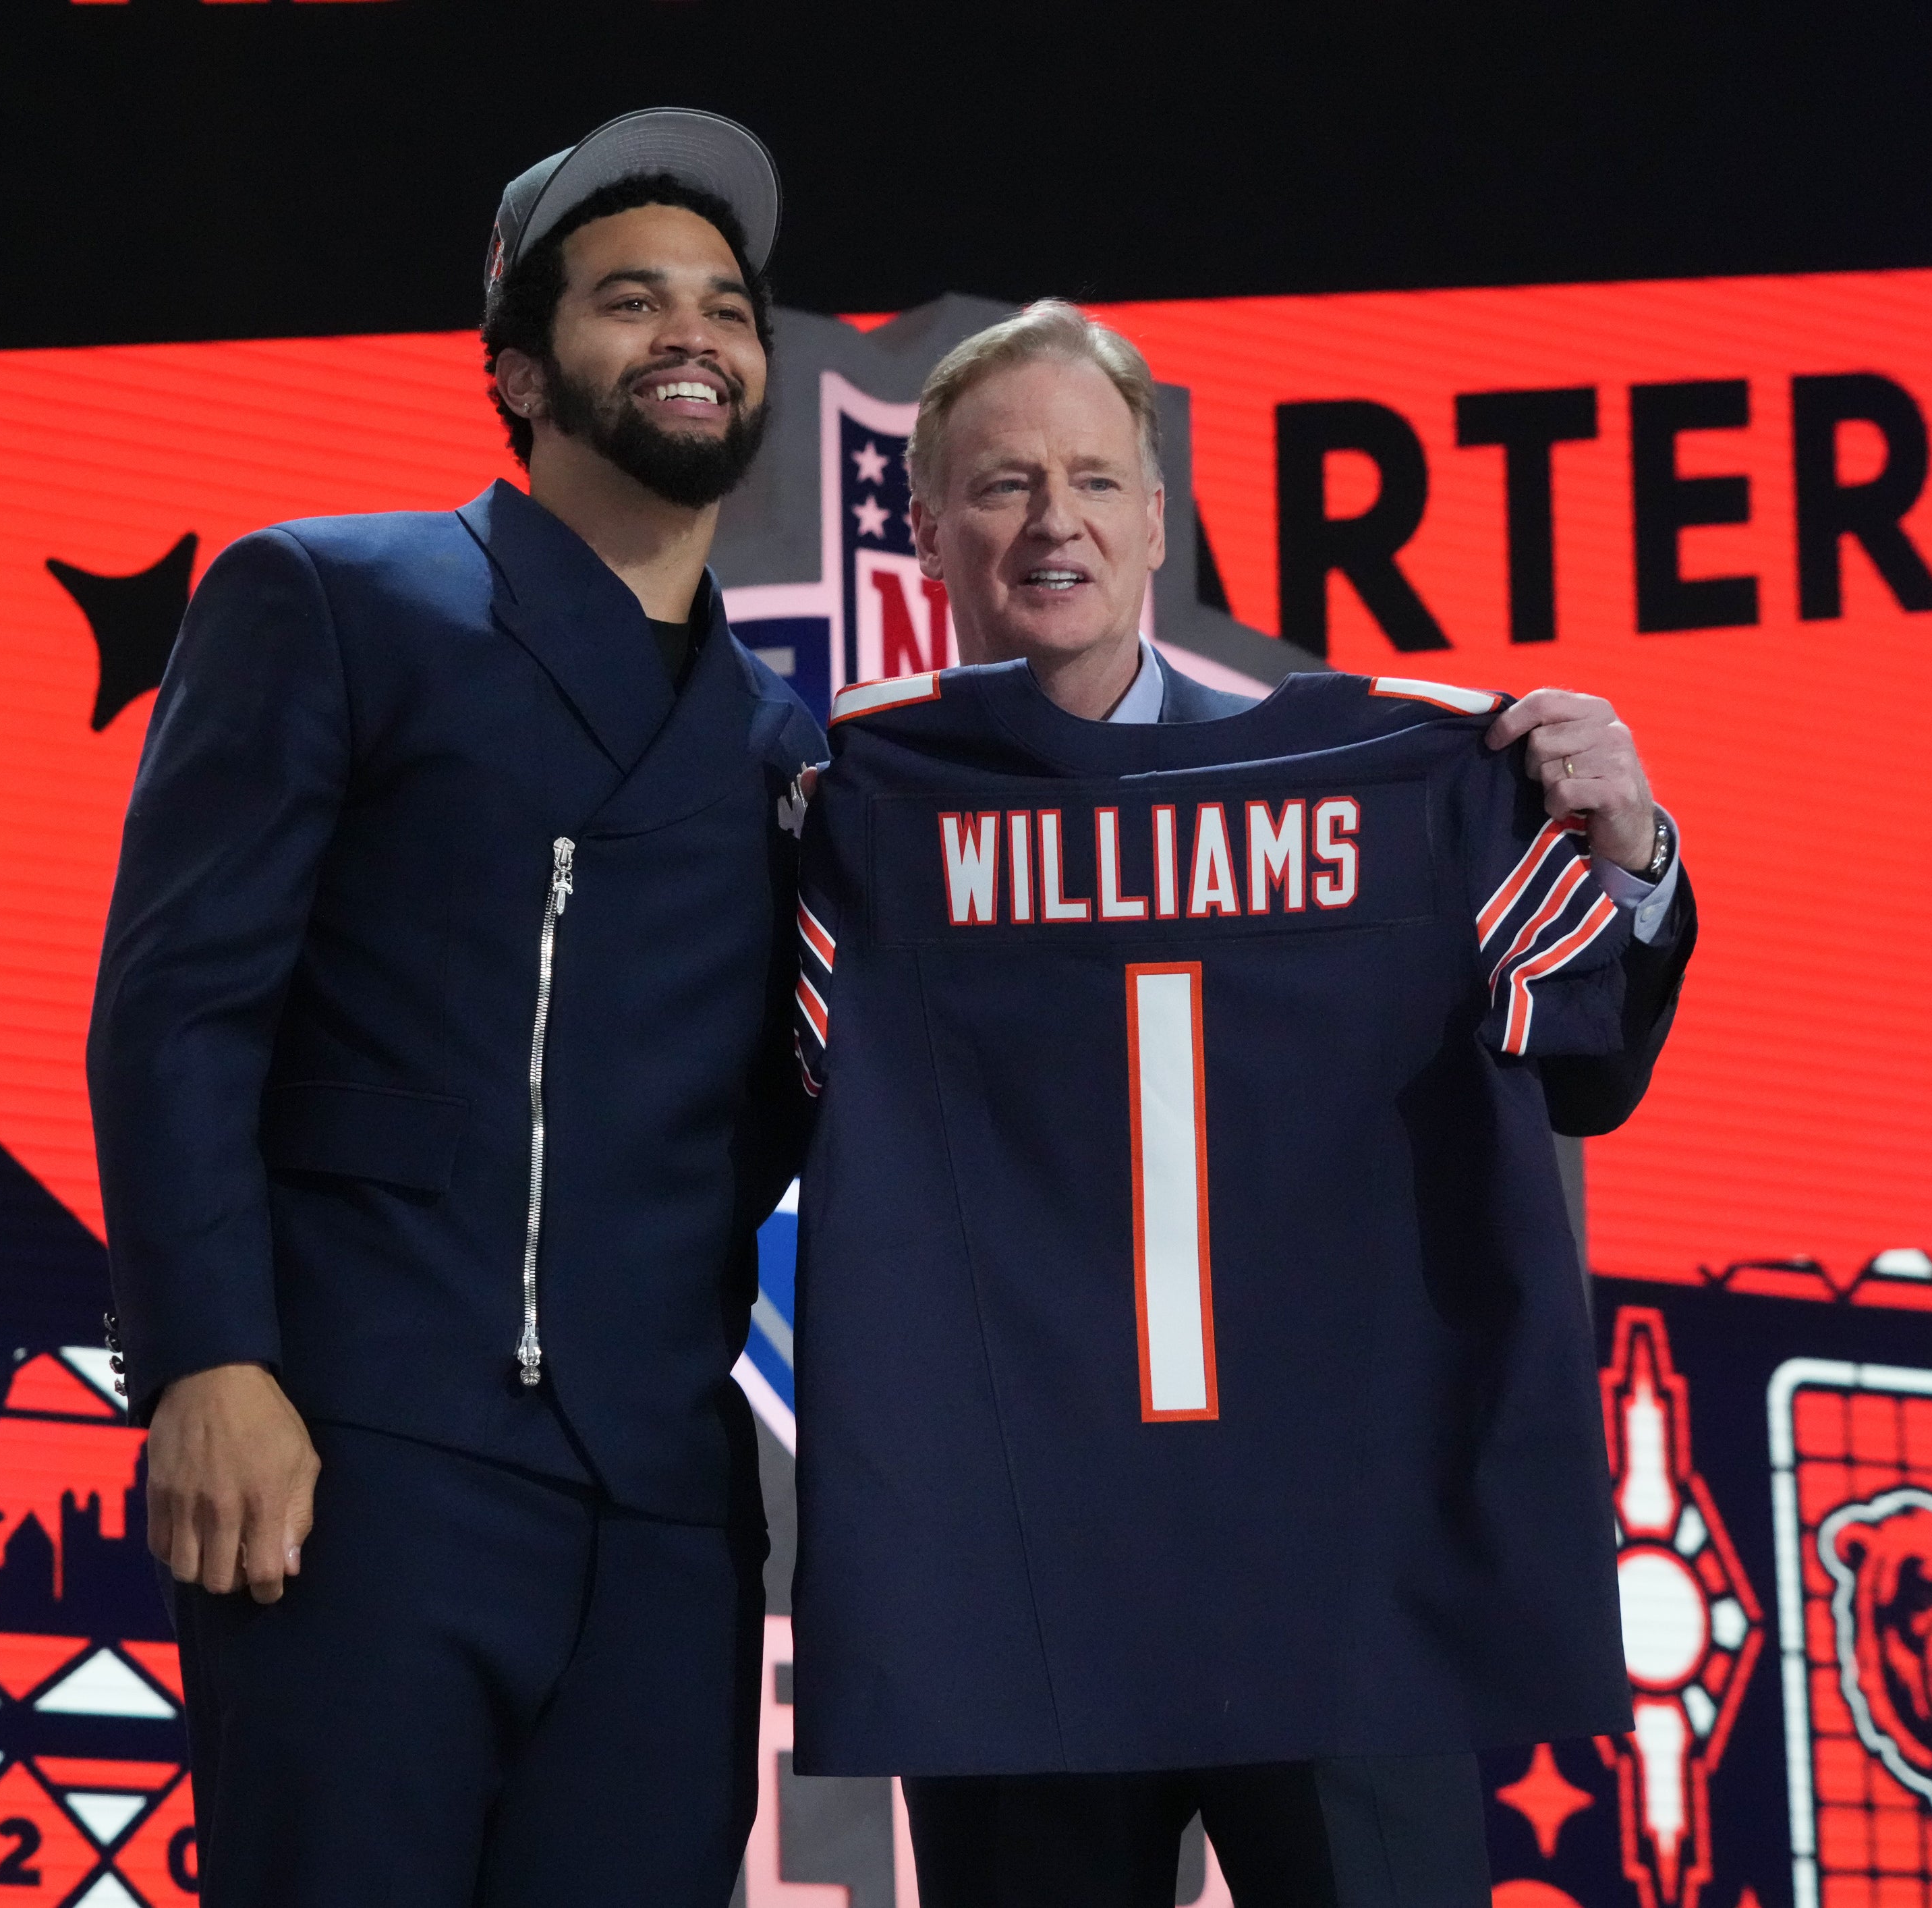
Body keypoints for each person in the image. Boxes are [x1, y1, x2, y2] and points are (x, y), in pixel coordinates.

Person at [795, 302, 1697, 1908]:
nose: (1052, 519)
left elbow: (1593, 1062)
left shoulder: (1400, 779)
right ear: (924, 529)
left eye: (1092, 476)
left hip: (1341, 1574)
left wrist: (1629, 853)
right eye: (1003, 485)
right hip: (1023, 1593)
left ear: (1159, 516)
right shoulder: (851, 826)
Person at [86, 109, 821, 1907]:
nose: (692, 333)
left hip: (661, 1501)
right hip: (356, 1454)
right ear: (512, 365)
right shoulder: (332, 596)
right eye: (627, 298)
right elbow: (177, 1007)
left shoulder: (793, 743)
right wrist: (208, 1359)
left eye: (726, 305)